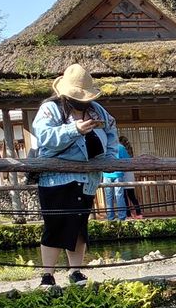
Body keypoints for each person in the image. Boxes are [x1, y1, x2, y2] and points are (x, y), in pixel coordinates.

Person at [31, 63, 118, 287]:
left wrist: (108, 157)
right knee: (55, 225)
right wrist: (74, 129)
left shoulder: (97, 110)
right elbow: (44, 136)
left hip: (87, 179)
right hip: (56, 179)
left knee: (79, 226)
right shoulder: (50, 109)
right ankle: (48, 274)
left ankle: (76, 271)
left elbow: (111, 131)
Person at [101, 135, 131, 221]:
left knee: (109, 197)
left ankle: (110, 218)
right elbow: (128, 160)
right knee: (119, 196)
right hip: (118, 174)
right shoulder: (120, 147)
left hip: (106, 174)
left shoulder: (104, 147)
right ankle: (122, 217)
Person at [119, 136, 142, 219]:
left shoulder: (120, 149)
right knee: (132, 196)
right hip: (130, 174)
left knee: (124, 197)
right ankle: (139, 213)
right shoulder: (129, 151)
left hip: (123, 174)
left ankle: (128, 214)